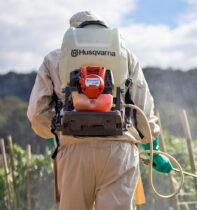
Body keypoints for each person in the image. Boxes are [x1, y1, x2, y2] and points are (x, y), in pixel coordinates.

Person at [27, 11, 172, 210]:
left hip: (73, 151)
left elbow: (37, 114)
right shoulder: (126, 55)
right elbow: (144, 111)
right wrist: (151, 148)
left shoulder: (54, 58)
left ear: (74, 32)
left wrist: (56, 135)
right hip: (119, 152)